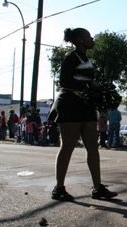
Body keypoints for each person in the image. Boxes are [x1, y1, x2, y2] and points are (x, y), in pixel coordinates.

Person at [49, 27, 117, 201]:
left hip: (85, 105)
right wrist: (90, 86)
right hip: (70, 104)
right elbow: (64, 81)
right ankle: (59, 188)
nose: (92, 38)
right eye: (88, 36)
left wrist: (97, 88)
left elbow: (85, 80)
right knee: (68, 146)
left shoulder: (85, 58)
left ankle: (97, 188)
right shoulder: (71, 56)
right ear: (80, 39)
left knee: (93, 147)